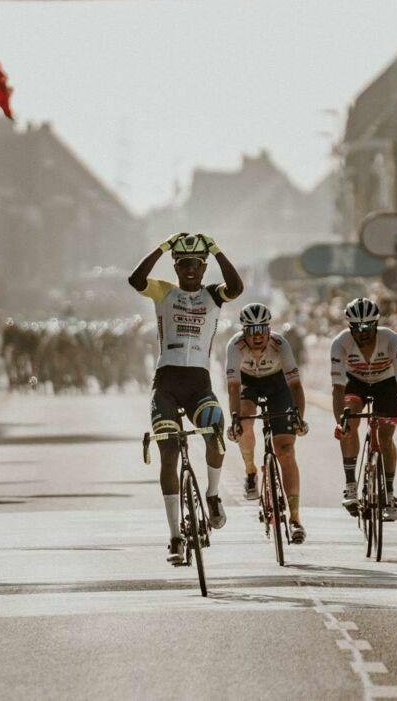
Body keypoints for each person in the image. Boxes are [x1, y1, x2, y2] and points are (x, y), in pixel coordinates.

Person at [127, 232, 243, 566]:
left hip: (199, 384)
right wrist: (163, 246)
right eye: (183, 264)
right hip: (167, 382)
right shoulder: (164, 291)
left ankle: (213, 494)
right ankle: (175, 536)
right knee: (168, 453)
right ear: (176, 267)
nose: (190, 269)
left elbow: (236, 288)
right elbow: (135, 279)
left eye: (196, 264)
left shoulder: (213, 295)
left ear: (204, 267)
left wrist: (217, 249)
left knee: (215, 430)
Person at [224, 302, 309, 543]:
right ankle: (251, 471)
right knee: (246, 421)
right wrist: (234, 419)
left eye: (262, 329)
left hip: (278, 385)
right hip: (249, 384)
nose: (257, 335)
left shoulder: (280, 343)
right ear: (244, 332)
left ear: (269, 329)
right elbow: (233, 387)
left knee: (286, 451)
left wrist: (298, 418)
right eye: (251, 330)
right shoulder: (235, 346)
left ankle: (295, 519)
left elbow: (295, 386)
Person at [329, 296, 397, 521]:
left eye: (368, 326)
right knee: (351, 420)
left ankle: (389, 494)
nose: (363, 331)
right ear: (350, 327)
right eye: (357, 327)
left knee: (385, 437)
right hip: (355, 382)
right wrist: (340, 421)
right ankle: (350, 485)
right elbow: (338, 389)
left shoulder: (391, 339)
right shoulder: (340, 343)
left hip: (386, 384)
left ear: (376, 324)